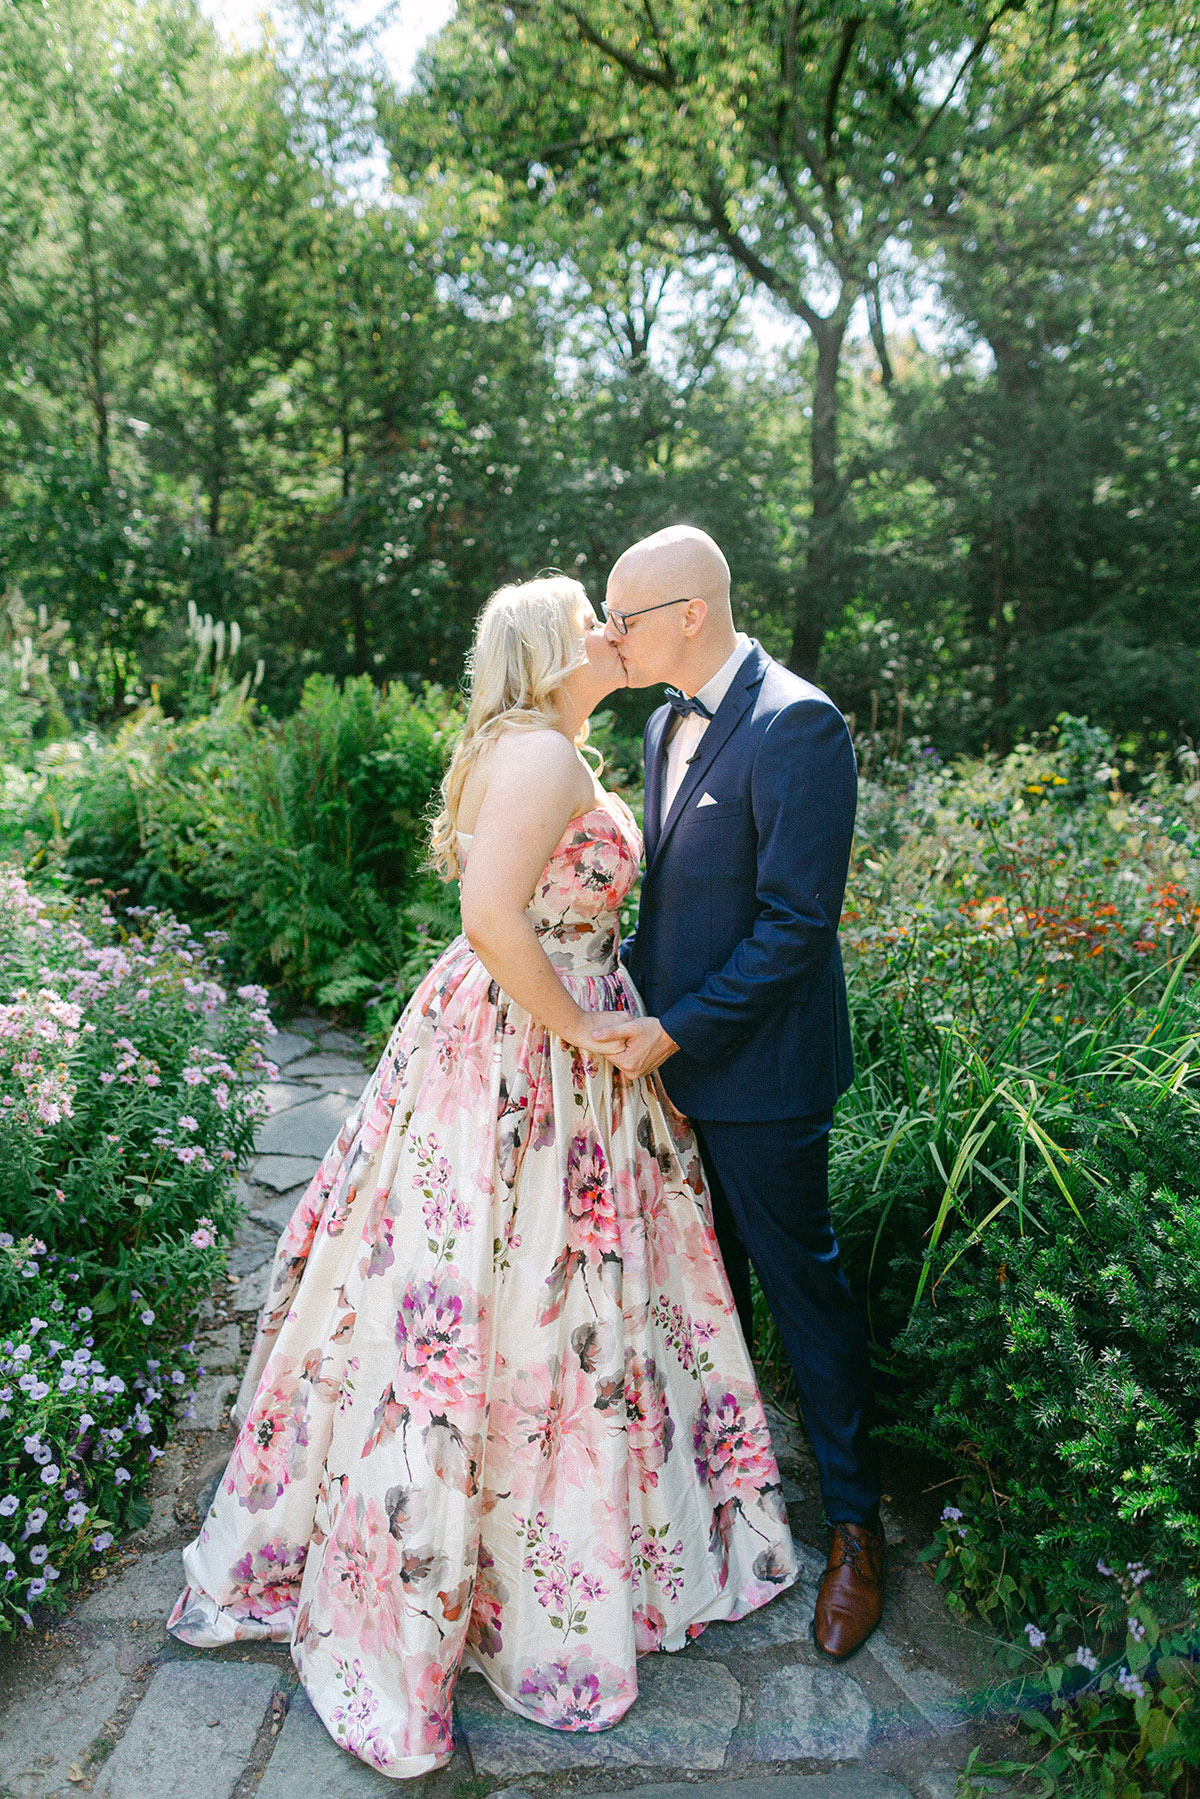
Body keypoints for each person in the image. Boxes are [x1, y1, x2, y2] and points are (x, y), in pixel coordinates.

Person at [167, 575, 798, 1780]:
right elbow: (493, 915)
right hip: (530, 1040)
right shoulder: (538, 758)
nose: (613, 628)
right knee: (507, 1286)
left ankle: (556, 1542)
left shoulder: (553, 746)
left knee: (548, 1300)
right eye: (592, 616)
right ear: (552, 648)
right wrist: (588, 1031)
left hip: (550, 1026)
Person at [594, 525, 884, 1661]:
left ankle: (858, 1530)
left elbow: (796, 930)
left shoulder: (799, 723)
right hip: (668, 1075)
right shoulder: (665, 720)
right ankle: (725, 1505)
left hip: (761, 1079)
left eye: (626, 615)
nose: (613, 635)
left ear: (691, 612)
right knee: (703, 1302)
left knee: (802, 1295)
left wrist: (672, 1029)